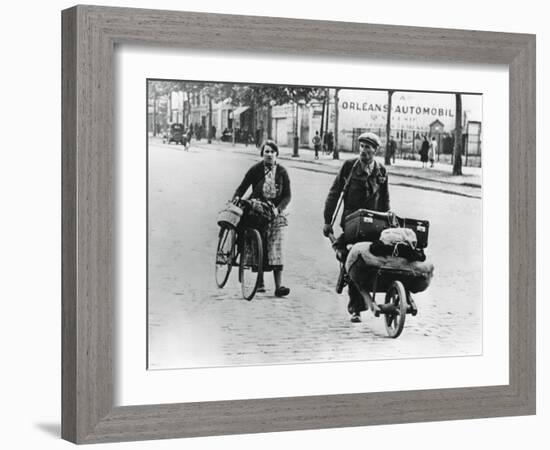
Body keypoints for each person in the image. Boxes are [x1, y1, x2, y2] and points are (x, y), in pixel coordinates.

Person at [323, 132, 390, 323]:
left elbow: (385, 200)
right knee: (354, 258)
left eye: (368, 148)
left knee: (379, 256)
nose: (364, 151)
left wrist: (387, 223)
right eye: (361, 147)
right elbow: (334, 193)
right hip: (352, 224)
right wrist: (328, 220)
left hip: (374, 225)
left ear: (375, 151)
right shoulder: (349, 167)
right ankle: (355, 309)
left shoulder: (381, 171)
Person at [233, 140, 292, 297]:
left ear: (276, 154)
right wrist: (236, 198)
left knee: (277, 247)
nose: (269, 154)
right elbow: (242, 187)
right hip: (258, 210)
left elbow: (287, 195)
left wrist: (278, 209)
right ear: (262, 154)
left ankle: (279, 286)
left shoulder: (282, 172)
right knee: (259, 243)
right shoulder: (255, 170)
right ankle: (260, 282)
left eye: (272, 152)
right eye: (266, 151)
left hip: (275, 212)